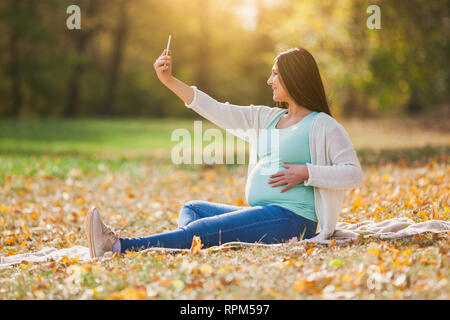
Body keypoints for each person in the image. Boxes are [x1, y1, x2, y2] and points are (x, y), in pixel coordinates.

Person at [84, 47, 363, 258]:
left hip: (293, 221)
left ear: (295, 76)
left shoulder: (322, 124)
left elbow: (352, 173)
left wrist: (307, 172)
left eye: (276, 73)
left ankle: (119, 246)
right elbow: (217, 109)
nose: (269, 80)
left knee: (202, 230)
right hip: (266, 213)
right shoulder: (266, 118)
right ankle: (193, 242)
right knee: (192, 209)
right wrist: (169, 81)